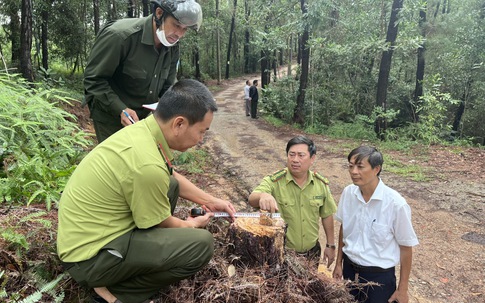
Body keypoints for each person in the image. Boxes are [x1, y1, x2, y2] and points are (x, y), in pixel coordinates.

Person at [57, 79, 237, 303]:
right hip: (89, 258)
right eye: (202, 131)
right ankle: (117, 294)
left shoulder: (143, 131)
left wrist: (210, 200)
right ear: (179, 124)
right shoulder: (146, 164)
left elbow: (168, 175)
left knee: (170, 186)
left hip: (90, 235)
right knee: (200, 245)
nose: (201, 139)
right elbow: (162, 219)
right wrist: (190, 226)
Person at [83, 0, 203, 143]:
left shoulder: (172, 46)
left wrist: (183, 105)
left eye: (185, 29)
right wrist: (121, 109)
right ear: (159, 13)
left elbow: (167, 86)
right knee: (118, 162)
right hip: (111, 116)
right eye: (177, 25)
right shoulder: (120, 36)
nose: (179, 34)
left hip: (144, 119)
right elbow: (94, 80)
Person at [332, 146, 419, 303]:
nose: (353, 171)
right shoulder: (348, 193)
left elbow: (406, 248)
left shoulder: (395, 204)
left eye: (360, 166)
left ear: (376, 169)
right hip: (349, 271)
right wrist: (339, 263)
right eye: (351, 166)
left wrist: (403, 289)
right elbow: (344, 229)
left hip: (379, 279)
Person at [248, 136, 337, 266]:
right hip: (281, 252)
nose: (295, 160)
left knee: (309, 285)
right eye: (292, 155)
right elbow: (252, 199)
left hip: (312, 253)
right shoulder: (275, 181)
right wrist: (263, 195)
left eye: (301, 155)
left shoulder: (320, 184)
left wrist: (330, 245)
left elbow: (327, 214)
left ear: (312, 158)